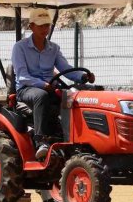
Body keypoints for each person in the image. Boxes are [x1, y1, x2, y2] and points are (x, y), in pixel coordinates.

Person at [11, 9, 95, 160]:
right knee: (41, 96)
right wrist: (42, 84)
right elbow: (23, 77)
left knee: (73, 97)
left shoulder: (53, 48)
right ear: (31, 26)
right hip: (27, 89)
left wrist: (83, 77)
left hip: (49, 88)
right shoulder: (20, 47)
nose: (45, 29)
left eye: (47, 26)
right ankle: (41, 141)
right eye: (41, 25)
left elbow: (66, 69)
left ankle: (74, 138)